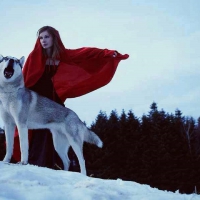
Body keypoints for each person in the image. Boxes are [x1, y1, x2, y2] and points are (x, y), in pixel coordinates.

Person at [12, 25, 129, 170]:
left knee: (61, 131)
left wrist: (107, 53)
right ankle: (37, 163)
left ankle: (60, 166)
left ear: (54, 38)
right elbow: (24, 79)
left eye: (46, 37)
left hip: (53, 99)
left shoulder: (62, 55)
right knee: (37, 131)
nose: (43, 40)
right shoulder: (34, 56)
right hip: (35, 100)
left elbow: (84, 53)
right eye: (40, 38)